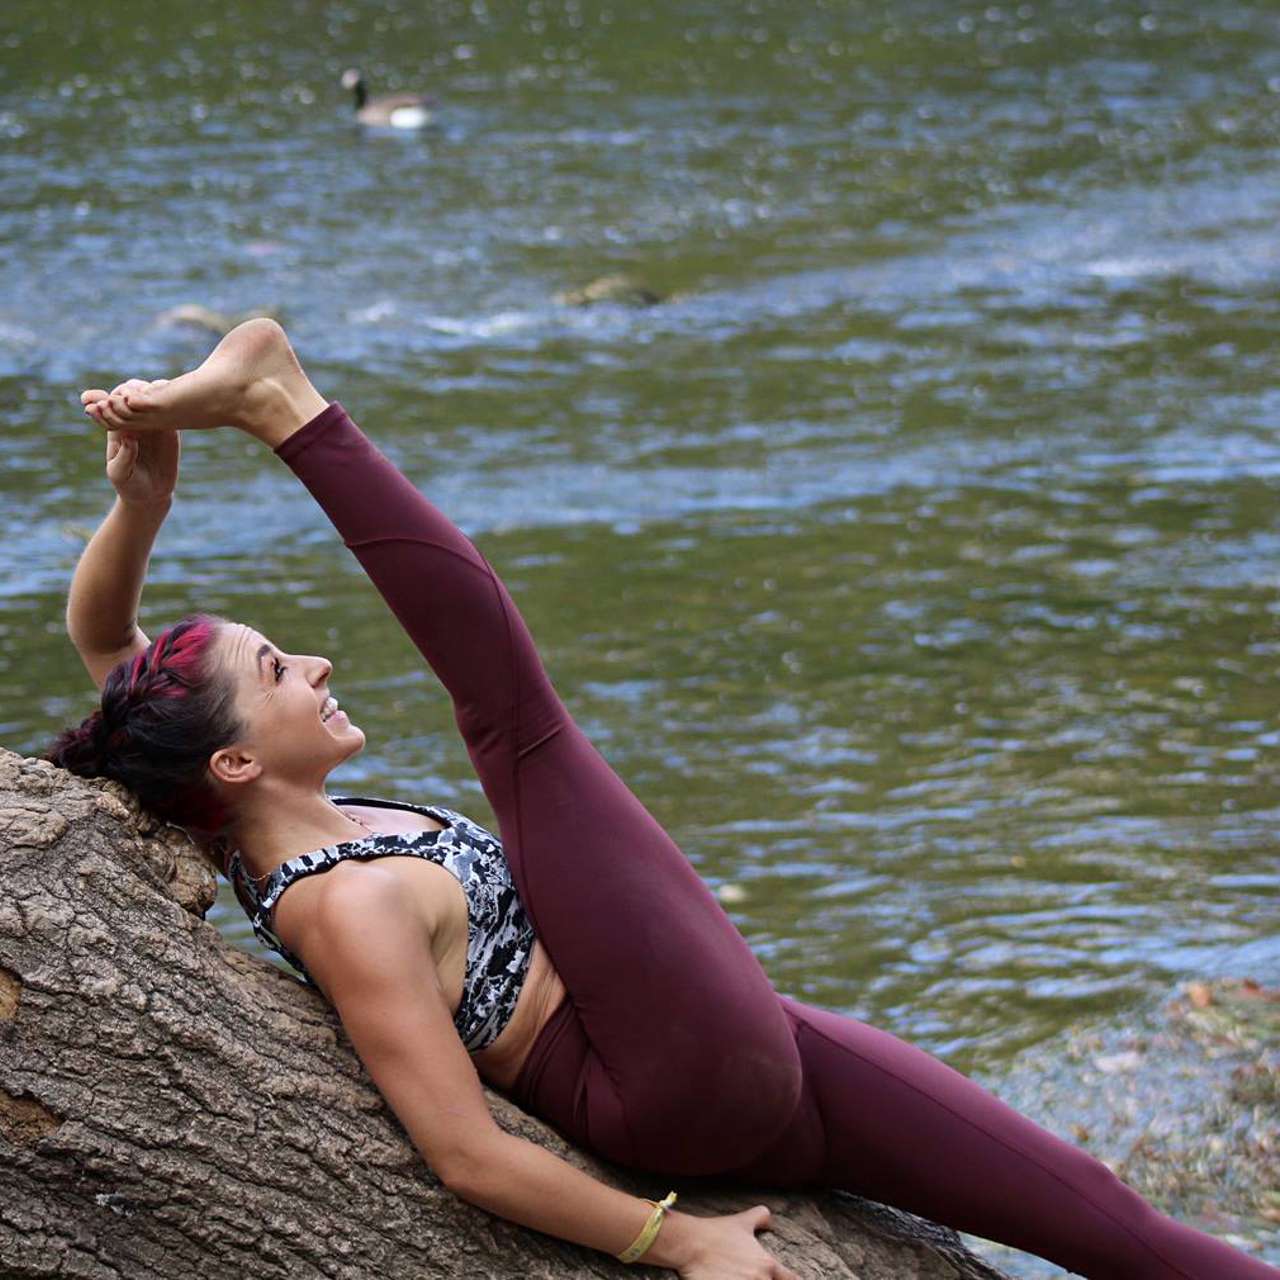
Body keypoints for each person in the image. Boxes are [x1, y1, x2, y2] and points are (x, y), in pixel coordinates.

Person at [46, 319, 1278, 1280]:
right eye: (275, 670)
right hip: (670, 1074)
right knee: (513, 718)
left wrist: (140, 502)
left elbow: (104, 637)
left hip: (742, 1035)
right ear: (236, 764)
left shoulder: (209, 784)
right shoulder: (340, 909)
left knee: (1100, 1215)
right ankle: (285, 405)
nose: (312, 665)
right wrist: (675, 1242)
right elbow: (464, 1151)